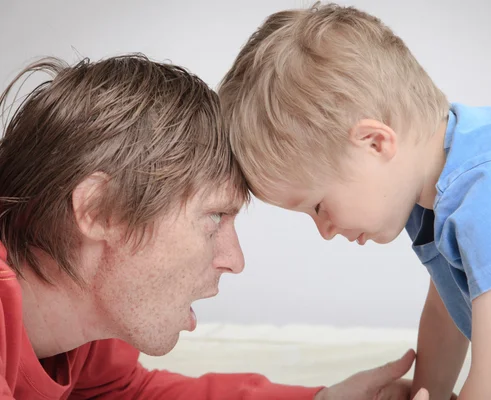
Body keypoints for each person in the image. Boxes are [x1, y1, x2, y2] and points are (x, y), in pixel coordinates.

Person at [218, 3, 491, 399]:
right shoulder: (434, 195)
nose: (326, 231)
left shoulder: (490, 185)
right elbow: (450, 312)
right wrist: (428, 391)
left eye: (317, 206)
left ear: (375, 143)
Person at [0, 55, 429, 400]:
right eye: (215, 218)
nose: (234, 261)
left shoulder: (85, 325)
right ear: (99, 211)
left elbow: (125, 392)